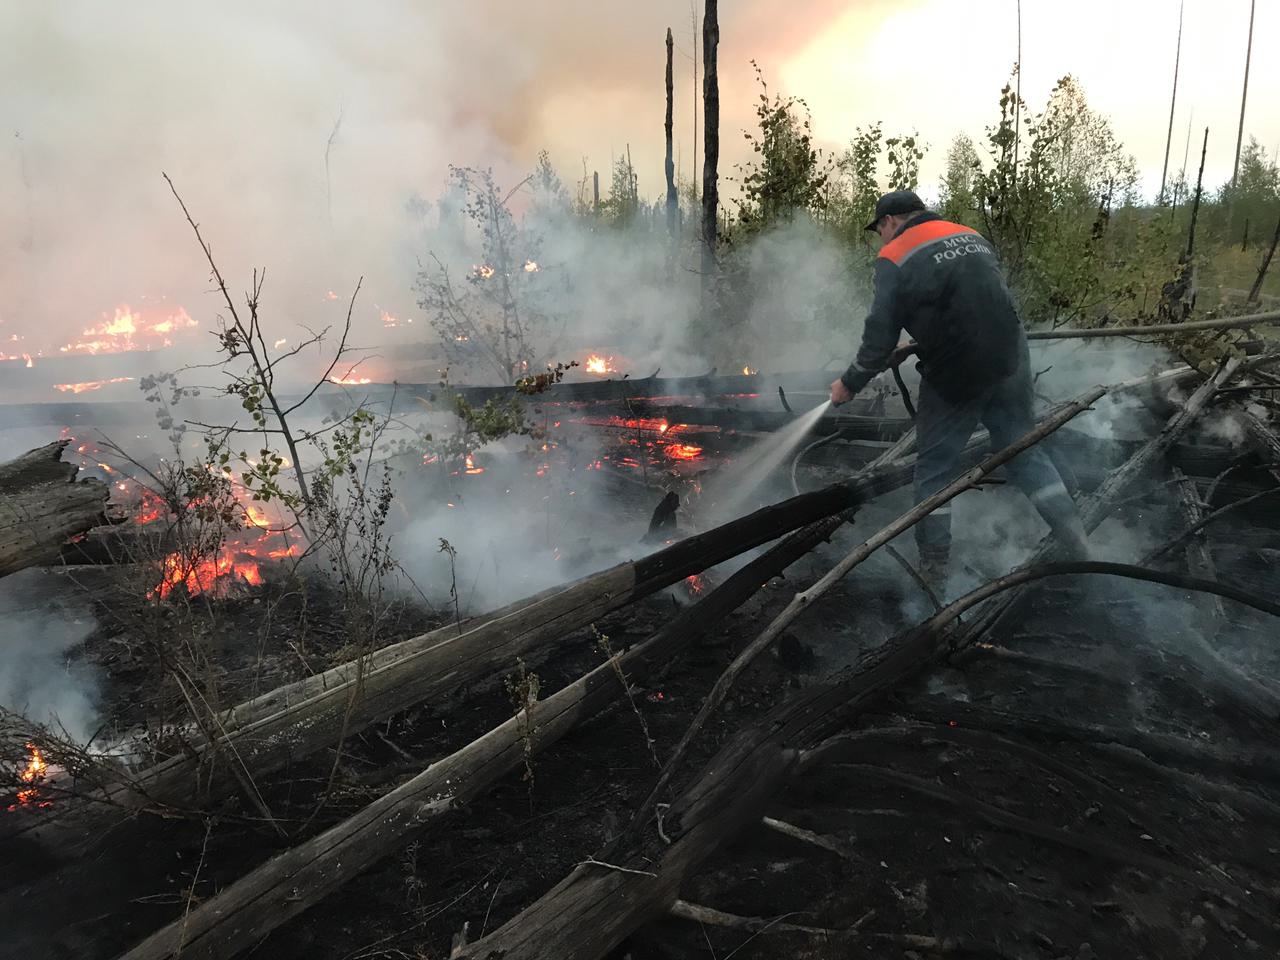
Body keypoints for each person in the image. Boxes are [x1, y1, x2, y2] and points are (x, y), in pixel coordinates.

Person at [829, 190, 1088, 584]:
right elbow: (976, 307)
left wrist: (850, 383)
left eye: (879, 229)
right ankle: (1079, 542)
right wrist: (916, 344)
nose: (880, 237)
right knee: (1023, 450)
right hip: (1010, 357)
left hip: (959, 368)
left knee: (935, 468)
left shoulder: (894, 255)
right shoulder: (969, 235)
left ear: (890, 221)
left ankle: (933, 572)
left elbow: (879, 333)